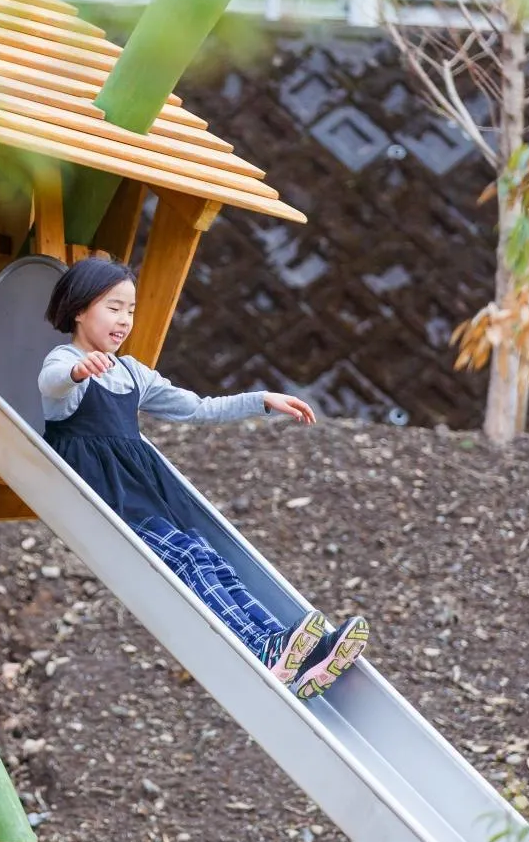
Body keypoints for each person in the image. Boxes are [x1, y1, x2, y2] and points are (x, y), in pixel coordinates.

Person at [38, 257, 369, 700]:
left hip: (144, 491)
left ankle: (294, 653)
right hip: (106, 497)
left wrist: (262, 400)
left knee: (209, 557)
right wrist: (78, 371)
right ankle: (263, 651)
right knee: (188, 558)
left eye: (130, 310)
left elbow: (197, 407)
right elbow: (51, 384)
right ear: (79, 309)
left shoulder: (132, 372)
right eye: (112, 307)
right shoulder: (68, 360)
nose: (123, 320)